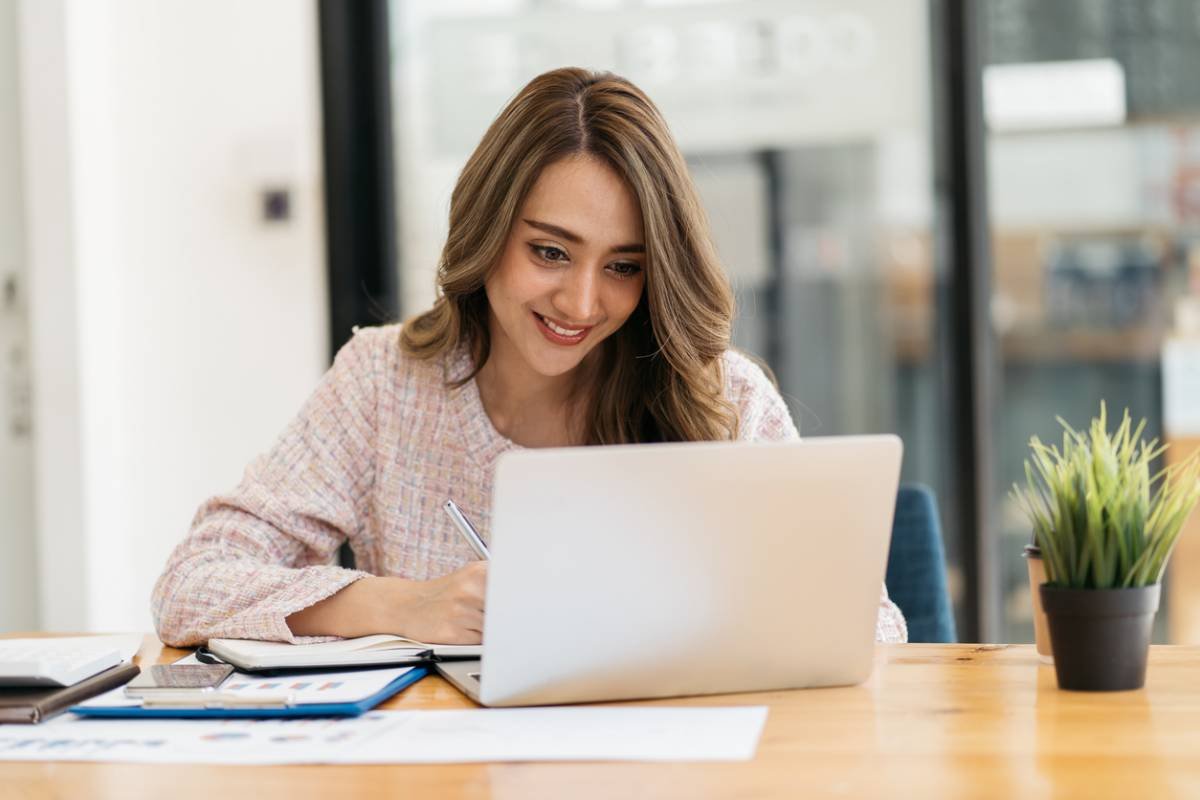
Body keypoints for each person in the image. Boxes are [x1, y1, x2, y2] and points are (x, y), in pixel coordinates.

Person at [152, 67, 907, 648]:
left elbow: (873, 627)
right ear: (487, 232)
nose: (581, 304)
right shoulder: (384, 383)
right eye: (550, 251)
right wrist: (402, 605)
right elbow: (192, 585)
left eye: (623, 266)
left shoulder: (721, 398)